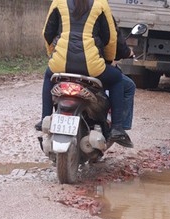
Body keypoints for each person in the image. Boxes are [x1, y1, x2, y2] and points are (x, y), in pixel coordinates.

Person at [37, 0, 133, 148]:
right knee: (116, 79)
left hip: (60, 64)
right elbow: (110, 38)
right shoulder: (101, 4)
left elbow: (47, 33)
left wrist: (53, 54)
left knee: (48, 76)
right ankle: (117, 127)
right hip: (92, 67)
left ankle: (44, 118)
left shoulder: (58, 1)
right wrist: (107, 60)